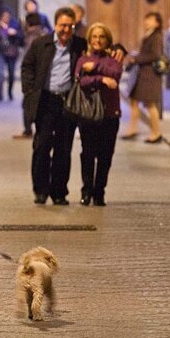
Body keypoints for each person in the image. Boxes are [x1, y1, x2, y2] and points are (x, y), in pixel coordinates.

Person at [21, 7, 85, 205]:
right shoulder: (42, 44)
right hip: (45, 101)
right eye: (62, 25)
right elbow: (27, 66)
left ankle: (59, 192)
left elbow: (104, 47)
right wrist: (30, 91)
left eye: (69, 26)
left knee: (63, 149)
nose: (66, 29)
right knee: (42, 146)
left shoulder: (80, 45)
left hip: (67, 103)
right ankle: (40, 190)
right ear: (55, 25)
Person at [75, 23, 123, 206]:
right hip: (88, 114)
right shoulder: (82, 59)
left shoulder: (114, 58)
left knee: (105, 155)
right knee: (87, 153)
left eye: (101, 37)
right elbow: (81, 80)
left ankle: (99, 191)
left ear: (107, 40)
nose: (97, 40)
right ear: (89, 39)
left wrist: (93, 68)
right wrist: (101, 78)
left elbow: (116, 73)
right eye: (94, 37)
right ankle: (86, 190)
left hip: (110, 114)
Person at [122, 12, 165, 143]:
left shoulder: (156, 37)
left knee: (150, 104)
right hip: (142, 75)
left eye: (150, 20)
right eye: (146, 19)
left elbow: (156, 55)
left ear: (157, 23)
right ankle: (132, 129)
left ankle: (156, 132)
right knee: (134, 101)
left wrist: (137, 59)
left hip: (150, 76)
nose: (147, 22)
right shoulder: (149, 35)